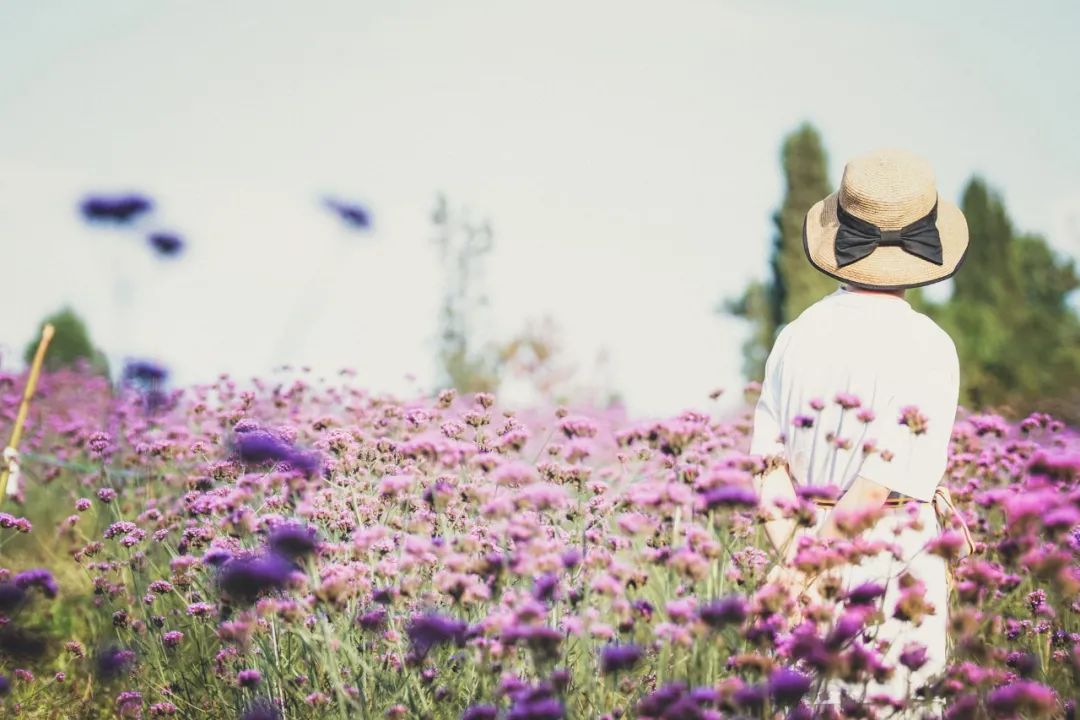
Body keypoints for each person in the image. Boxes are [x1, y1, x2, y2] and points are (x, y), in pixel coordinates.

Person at [748, 148, 970, 708]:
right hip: (895, 574)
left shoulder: (793, 336)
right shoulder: (930, 348)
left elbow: (767, 468)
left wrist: (796, 568)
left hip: (802, 559)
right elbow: (876, 486)